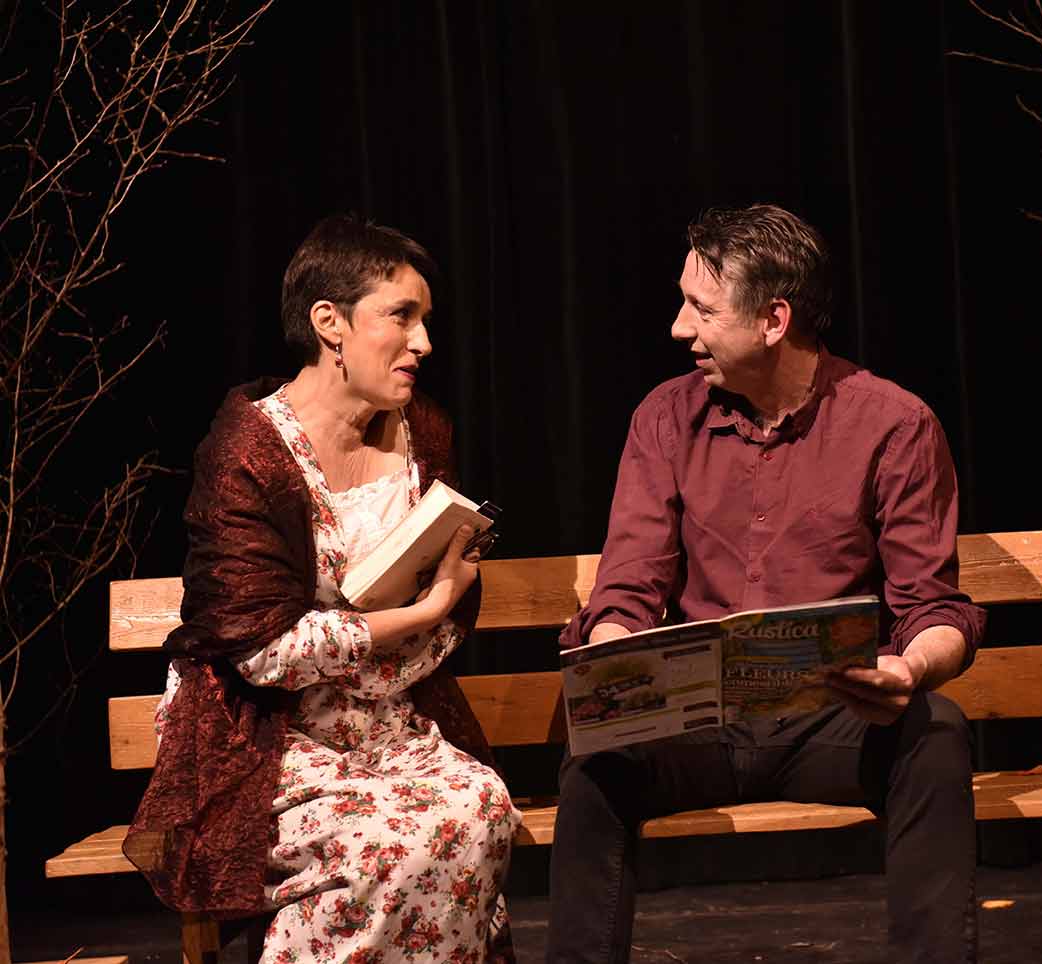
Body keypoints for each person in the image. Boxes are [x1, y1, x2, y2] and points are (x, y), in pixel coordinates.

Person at [545, 203, 987, 964]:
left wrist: (908, 670)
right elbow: (629, 584)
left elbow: (933, 606)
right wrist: (613, 660)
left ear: (774, 320)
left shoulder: (893, 424)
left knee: (936, 734)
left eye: (702, 309)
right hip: (700, 722)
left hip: (829, 721)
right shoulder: (666, 418)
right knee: (595, 761)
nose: (679, 329)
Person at [126, 215, 520, 963]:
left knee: (481, 809)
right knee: (383, 847)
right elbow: (259, 649)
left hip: (389, 720)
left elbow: (445, 599)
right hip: (268, 735)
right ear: (329, 323)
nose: (423, 343)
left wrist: (436, 605)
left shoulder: (423, 432)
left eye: (426, 320)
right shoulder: (248, 451)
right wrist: (426, 609)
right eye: (401, 316)